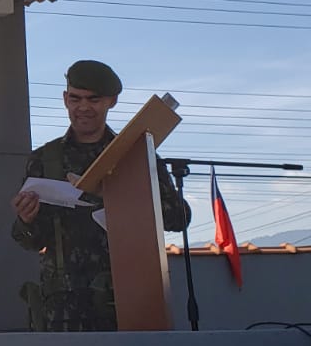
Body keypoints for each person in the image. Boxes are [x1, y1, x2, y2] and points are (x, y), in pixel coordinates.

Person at [11, 60, 190, 332]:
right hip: (65, 309)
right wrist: (26, 219)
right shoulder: (45, 160)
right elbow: (32, 241)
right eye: (75, 99)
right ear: (65, 99)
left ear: (111, 101)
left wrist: (115, 194)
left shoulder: (135, 154)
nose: (83, 107)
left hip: (129, 299)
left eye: (93, 99)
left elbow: (179, 217)